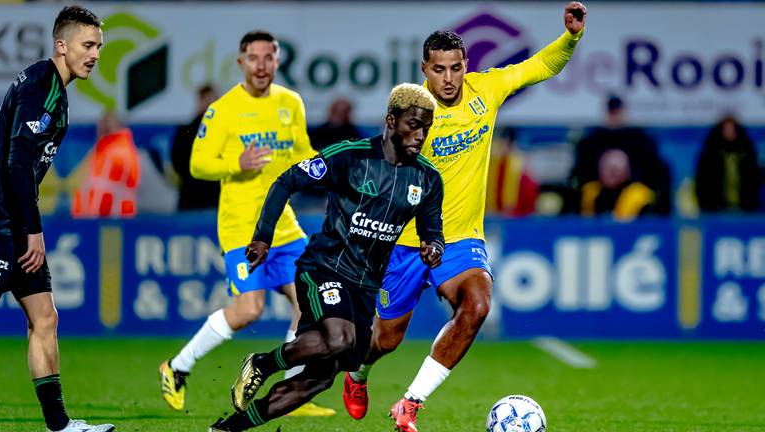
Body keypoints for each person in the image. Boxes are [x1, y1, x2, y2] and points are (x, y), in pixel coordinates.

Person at [342, 3, 586, 431]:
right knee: (386, 339)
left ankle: (410, 403)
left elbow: (541, 65)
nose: (449, 78)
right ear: (424, 69)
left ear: (466, 65)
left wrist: (570, 37)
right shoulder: (410, 116)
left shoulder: (486, 90)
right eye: (439, 70)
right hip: (402, 244)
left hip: (459, 239)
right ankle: (358, 373)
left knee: (477, 305)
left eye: (456, 68)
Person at [208, 83, 444, 432]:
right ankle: (262, 363)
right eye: (414, 124)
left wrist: (433, 247)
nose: (421, 134)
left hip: (365, 287)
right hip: (324, 267)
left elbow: (432, 230)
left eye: (426, 126)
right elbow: (286, 181)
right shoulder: (350, 156)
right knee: (340, 339)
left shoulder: (428, 179)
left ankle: (227, 429)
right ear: (391, 121)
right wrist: (262, 236)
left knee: (320, 379)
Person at [158, 31, 334, 418]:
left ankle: (290, 393)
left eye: (268, 57)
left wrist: (329, 172)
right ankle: (177, 367)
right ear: (241, 63)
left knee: (309, 301)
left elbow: (302, 152)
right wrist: (236, 164)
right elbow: (197, 165)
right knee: (247, 310)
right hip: (241, 227)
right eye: (253, 58)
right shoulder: (222, 110)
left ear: (277, 60)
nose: (261, 65)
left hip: (283, 226)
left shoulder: (291, 103)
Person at [0, 6, 114, 432]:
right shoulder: (42, 89)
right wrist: (32, 232)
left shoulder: (51, 87)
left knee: (44, 319)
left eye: (99, 46)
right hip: (3, 225)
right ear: (60, 46)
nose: (95, 54)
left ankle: (59, 425)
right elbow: (15, 166)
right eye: (88, 45)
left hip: (14, 221)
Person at [569, 94, 672, 215]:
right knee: (589, 192)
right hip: (601, 191)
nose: (614, 116)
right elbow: (580, 173)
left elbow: (655, 170)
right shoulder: (592, 141)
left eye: (617, 111)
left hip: (631, 193)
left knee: (639, 194)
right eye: (611, 112)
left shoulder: (640, 140)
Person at [695, 115, 761, 213]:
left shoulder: (748, 153)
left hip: (746, 208)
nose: (729, 132)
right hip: (716, 209)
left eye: (732, 129)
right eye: (726, 129)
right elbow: (702, 181)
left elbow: (754, 180)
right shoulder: (709, 154)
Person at [171, 84, 221, 211]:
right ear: (199, 100)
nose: (210, 104)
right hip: (194, 197)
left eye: (213, 100)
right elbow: (178, 162)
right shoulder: (185, 131)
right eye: (207, 100)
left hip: (211, 198)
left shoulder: (224, 130)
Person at [579, 148, 657, 220]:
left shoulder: (640, 193)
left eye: (616, 169)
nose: (612, 173)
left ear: (627, 171)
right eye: (607, 168)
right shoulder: (589, 191)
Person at [486, 126, 538, 217]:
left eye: (506, 144)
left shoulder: (520, 164)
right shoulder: (491, 163)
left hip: (514, 215)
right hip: (492, 213)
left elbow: (529, 192)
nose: (502, 147)